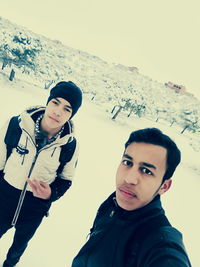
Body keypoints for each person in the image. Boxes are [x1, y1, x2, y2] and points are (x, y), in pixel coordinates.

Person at [72, 128, 192, 267]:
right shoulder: (111, 205)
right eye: (128, 163)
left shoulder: (160, 241)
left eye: (147, 171)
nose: (130, 179)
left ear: (164, 186)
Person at [0, 81, 82, 267]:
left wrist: (50, 194)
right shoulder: (17, 125)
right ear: (48, 102)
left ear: (71, 114)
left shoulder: (69, 145)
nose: (58, 112)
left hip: (33, 211)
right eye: (55, 102)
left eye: (67, 109)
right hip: (3, 201)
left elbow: (66, 180)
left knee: (16, 252)